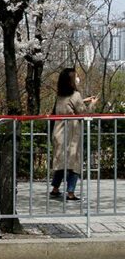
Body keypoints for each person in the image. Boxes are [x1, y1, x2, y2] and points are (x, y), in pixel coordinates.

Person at [49, 68, 98, 201]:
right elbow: (84, 113)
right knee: (74, 163)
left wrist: (84, 100)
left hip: (59, 132)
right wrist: (92, 104)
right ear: (71, 81)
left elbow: (68, 106)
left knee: (61, 162)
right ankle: (70, 192)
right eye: (76, 77)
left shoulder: (59, 95)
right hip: (71, 134)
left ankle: (55, 188)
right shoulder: (75, 95)